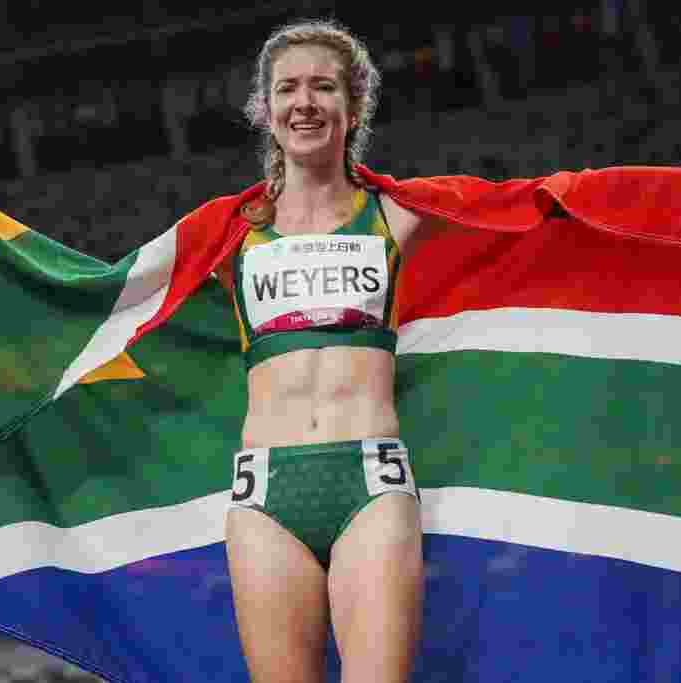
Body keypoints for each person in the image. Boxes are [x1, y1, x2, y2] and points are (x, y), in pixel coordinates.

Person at [219, 18, 436, 683]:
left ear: (355, 104)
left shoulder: (402, 216)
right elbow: (108, 295)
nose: (304, 102)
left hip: (371, 485)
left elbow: (518, 223)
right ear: (266, 108)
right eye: (287, 88)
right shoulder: (226, 237)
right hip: (264, 498)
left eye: (323, 86)